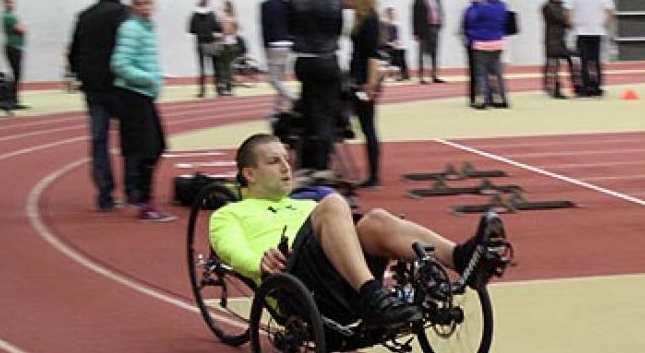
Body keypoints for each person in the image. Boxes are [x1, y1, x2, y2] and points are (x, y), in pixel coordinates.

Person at [209, 133, 509, 329]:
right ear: (249, 174)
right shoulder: (229, 214)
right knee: (332, 204)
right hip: (295, 282)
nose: (286, 168)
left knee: (375, 219)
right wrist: (258, 262)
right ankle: (372, 295)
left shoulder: (301, 205)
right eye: (274, 162)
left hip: (339, 276)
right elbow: (230, 250)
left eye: (287, 160)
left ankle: (462, 258)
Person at [69, 0, 131, 211]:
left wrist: (82, 75)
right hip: (119, 86)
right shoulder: (122, 14)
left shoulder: (84, 16)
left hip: (93, 88)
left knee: (99, 141)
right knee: (130, 141)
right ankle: (132, 191)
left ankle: (105, 195)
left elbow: (75, 51)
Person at [111, 0, 174, 223]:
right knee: (150, 148)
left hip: (144, 96)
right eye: (140, 3)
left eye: (148, 3)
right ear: (133, 6)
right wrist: (147, 78)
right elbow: (119, 63)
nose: (145, 7)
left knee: (155, 147)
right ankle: (144, 202)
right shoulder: (131, 29)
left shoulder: (146, 28)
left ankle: (143, 198)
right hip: (133, 96)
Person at [287, 0, 344, 172]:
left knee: (308, 110)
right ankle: (321, 165)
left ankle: (306, 162)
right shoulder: (336, 0)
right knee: (326, 115)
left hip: (305, 61)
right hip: (328, 59)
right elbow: (338, 30)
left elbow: (291, 28)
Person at [346, 0, 384, 189]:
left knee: (368, 126)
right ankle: (372, 173)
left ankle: (374, 175)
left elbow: (372, 55)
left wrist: (370, 84)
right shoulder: (361, 18)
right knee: (364, 125)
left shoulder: (369, 20)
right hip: (357, 75)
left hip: (364, 79)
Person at [567, 0, 615, 97]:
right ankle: (597, 86)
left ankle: (585, 86)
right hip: (597, 31)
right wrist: (604, 24)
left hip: (581, 31)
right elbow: (611, 11)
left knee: (583, 60)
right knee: (596, 60)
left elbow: (568, 11)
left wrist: (573, 25)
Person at [466, 0, 509, 110]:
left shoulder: (482, 7)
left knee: (482, 74)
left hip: (482, 43)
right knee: (497, 73)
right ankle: (502, 98)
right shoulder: (503, 6)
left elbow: (471, 20)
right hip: (497, 42)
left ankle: (485, 100)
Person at [260, 0, 293, 109]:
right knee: (281, 77)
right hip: (287, 42)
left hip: (274, 43)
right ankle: (279, 106)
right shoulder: (285, 4)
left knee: (273, 79)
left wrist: (265, 46)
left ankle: (292, 97)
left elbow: (265, 27)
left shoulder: (265, 6)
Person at [541, 0, 575, 99]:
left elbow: (565, 20)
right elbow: (559, 18)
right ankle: (552, 87)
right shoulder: (547, 7)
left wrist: (568, 20)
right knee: (553, 64)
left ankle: (570, 84)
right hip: (551, 39)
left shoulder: (562, 5)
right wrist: (568, 19)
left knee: (565, 61)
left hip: (560, 39)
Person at [411, 0, 445, 84]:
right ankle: (421, 77)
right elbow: (414, 17)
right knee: (422, 53)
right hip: (423, 30)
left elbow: (440, 12)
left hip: (434, 28)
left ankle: (434, 75)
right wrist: (415, 31)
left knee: (434, 52)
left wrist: (440, 25)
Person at [188, 0, 220, 98]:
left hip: (200, 42)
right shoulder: (211, 14)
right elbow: (217, 27)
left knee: (201, 68)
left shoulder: (194, 15)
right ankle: (217, 89)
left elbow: (191, 30)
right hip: (211, 42)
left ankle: (202, 91)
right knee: (214, 67)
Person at [0, 0, 27, 109]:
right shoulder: (9, 17)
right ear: (5, 3)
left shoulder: (9, 16)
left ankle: (13, 99)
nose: (12, 4)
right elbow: (22, 29)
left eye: (12, 2)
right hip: (13, 47)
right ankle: (11, 99)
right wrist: (22, 28)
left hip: (15, 47)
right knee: (16, 74)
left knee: (16, 74)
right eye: (9, 2)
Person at [460, 0, 481, 106]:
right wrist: (465, 39)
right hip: (471, 44)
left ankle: (484, 94)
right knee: (472, 72)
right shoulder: (467, 10)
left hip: (482, 44)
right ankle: (472, 97)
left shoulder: (483, 9)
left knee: (482, 72)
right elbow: (464, 26)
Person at [378, 6, 409, 81]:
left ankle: (404, 74)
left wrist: (398, 42)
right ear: (387, 15)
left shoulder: (394, 27)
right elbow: (380, 39)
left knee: (402, 51)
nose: (393, 16)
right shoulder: (382, 25)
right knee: (396, 52)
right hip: (383, 46)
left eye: (393, 15)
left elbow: (396, 38)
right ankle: (397, 72)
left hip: (392, 46)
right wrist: (389, 43)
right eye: (391, 14)